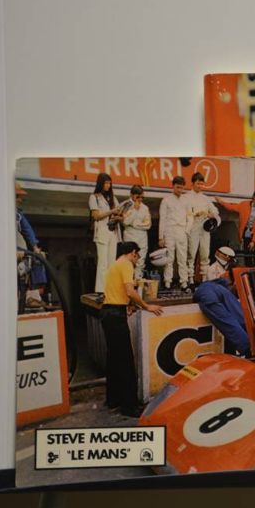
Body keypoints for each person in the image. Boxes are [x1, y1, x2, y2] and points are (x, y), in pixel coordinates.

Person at [101, 241, 162, 417]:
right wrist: (146, 306)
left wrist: (129, 304)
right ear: (133, 252)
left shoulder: (115, 265)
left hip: (108, 312)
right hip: (115, 315)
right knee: (125, 361)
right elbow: (130, 290)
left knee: (114, 359)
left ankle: (113, 399)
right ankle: (129, 407)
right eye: (138, 256)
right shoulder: (126, 264)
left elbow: (119, 291)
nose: (137, 259)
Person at [193, 275, 250, 358]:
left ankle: (248, 348)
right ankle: (249, 347)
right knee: (238, 319)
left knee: (228, 322)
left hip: (208, 290)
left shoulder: (209, 286)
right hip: (218, 289)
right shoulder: (223, 287)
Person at [89, 173, 123, 292]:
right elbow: (96, 216)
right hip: (102, 231)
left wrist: (119, 216)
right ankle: (101, 290)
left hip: (113, 231)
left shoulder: (113, 198)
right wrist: (111, 211)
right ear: (101, 183)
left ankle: (111, 288)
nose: (108, 185)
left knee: (112, 263)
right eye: (106, 183)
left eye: (109, 183)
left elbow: (119, 214)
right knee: (102, 262)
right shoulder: (94, 197)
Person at [185, 172, 221, 286]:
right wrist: (194, 214)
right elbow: (184, 213)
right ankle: (190, 279)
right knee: (191, 254)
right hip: (193, 228)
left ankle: (204, 279)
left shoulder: (205, 198)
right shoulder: (186, 197)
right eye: (198, 183)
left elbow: (215, 211)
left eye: (202, 184)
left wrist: (211, 214)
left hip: (204, 229)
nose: (200, 186)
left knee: (205, 254)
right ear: (192, 183)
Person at [15, 183, 48, 306]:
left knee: (38, 258)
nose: (20, 200)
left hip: (20, 252)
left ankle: (33, 296)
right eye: (18, 197)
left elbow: (28, 230)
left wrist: (35, 248)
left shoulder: (18, 215)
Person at [158, 176, 189, 290]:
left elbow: (189, 217)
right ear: (173, 186)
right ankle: (167, 282)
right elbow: (162, 219)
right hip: (169, 230)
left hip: (181, 230)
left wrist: (187, 231)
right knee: (169, 258)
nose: (180, 190)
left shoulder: (186, 200)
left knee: (182, 258)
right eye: (178, 187)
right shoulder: (166, 200)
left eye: (182, 188)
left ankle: (184, 282)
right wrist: (161, 237)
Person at [122, 185, 151, 279]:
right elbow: (125, 222)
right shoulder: (126, 205)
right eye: (138, 197)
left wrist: (134, 224)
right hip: (129, 236)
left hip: (142, 237)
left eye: (142, 197)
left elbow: (148, 225)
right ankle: (128, 282)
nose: (140, 199)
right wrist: (135, 210)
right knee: (128, 261)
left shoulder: (145, 208)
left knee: (140, 262)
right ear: (131, 195)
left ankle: (138, 283)